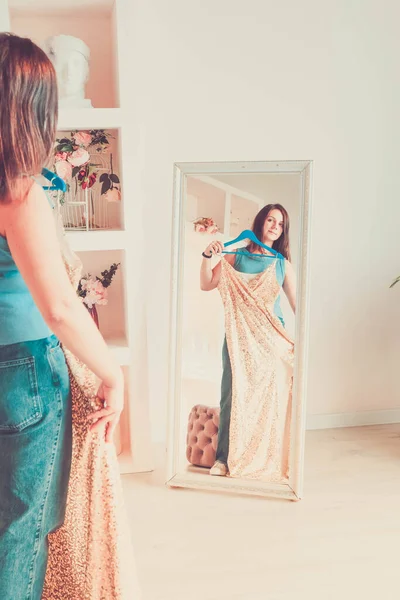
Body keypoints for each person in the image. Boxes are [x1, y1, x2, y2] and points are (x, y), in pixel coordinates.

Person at [0, 33, 135, 599]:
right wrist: (113, 374)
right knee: (22, 531)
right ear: (28, 106)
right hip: (23, 369)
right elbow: (57, 307)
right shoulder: (17, 194)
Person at [200, 204, 296, 480]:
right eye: (270, 219)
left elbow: (297, 304)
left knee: (268, 401)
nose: (275, 226)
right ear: (261, 222)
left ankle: (268, 456)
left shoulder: (282, 264)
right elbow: (207, 284)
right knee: (232, 395)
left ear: (283, 231)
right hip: (238, 339)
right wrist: (207, 257)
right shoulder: (237, 256)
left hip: (271, 340)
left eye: (280, 223)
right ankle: (224, 458)